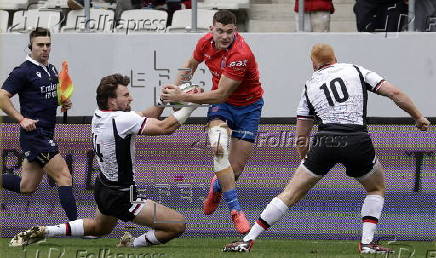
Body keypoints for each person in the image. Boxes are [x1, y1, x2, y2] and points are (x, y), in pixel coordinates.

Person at [223, 43, 430, 253]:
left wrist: (306, 160)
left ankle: (247, 240)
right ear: (335, 58)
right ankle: (367, 243)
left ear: (313, 64)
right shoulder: (356, 70)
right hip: (357, 139)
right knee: (375, 188)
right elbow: (394, 93)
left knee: (290, 193)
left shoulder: (310, 85)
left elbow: (301, 135)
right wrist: (418, 117)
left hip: (325, 141)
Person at [10, 73, 199, 248]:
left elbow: (143, 117)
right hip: (123, 195)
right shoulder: (121, 120)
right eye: (125, 95)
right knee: (177, 225)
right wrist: (190, 105)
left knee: (98, 229)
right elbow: (166, 127)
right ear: (111, 100)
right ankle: (131, 244)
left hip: (104, 187)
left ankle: (47, 230)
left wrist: (162, 102)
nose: (130, 98)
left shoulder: (99, 115)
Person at [161, 10, 264, 235]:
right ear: (212, 30)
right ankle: (236, 211)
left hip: (248, 107)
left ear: (235, 31)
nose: (225, 36)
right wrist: (176, 86)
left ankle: (216, 188)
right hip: (223, 107)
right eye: (220, 31)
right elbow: (191, 63)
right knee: (218, 148)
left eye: (229, 31)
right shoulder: (204, 43)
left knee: (235, 170)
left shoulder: (240, 54)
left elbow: (220, 94)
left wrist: (183, 97)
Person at [0, 27, 77, 221]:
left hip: (46, 134)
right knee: (64, 177)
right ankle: (77, 228)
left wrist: (62, 101)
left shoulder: (50, 68)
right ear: (30, 47)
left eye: (48, 45)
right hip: (36, 135)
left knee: (27, 187)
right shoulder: (23, 71)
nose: (44, 48)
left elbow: (47, 96)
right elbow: (2, 96)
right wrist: (21, 118)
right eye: (40, 45)